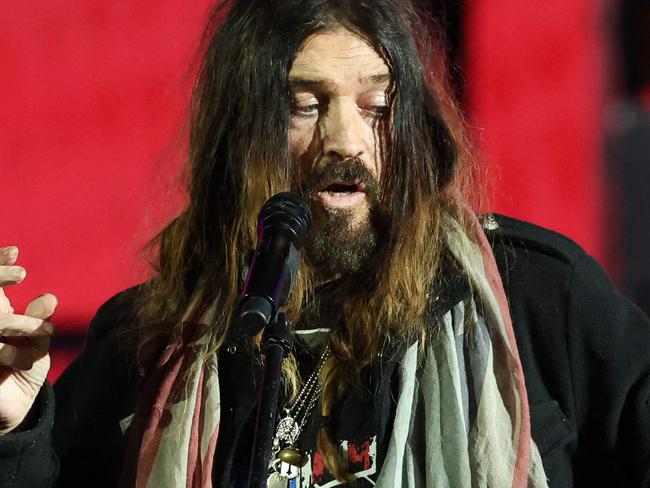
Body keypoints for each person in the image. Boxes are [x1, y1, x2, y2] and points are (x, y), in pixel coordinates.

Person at [1, 0, 649, 487]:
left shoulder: (538, 295)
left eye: (377, 105)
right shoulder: (146, 338)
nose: (346, 141)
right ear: (240, 137)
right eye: (306, 105)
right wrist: (15, 428)